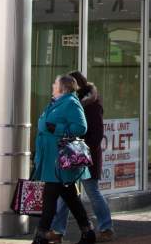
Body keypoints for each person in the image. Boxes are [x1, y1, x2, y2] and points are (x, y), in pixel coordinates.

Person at [51, 71, 115, 241]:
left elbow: (96, 135)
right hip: (70, 155)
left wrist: (82, 150)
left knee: (92, 192)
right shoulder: (69, 104)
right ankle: (57, 231)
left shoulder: (92, 106)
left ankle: (106, 228)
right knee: (65, 193)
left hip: (86, 157)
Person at [32, 75, 96, 244]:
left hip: (60, 161)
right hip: (51, 160)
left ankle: (41, 236)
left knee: (49, 199)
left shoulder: (71, 103)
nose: (53, 85)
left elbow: (81, 128)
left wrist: (57, 128)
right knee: (71, 199)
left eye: (56, 83)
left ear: (63, 87)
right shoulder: (56, 102)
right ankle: (88, 232)